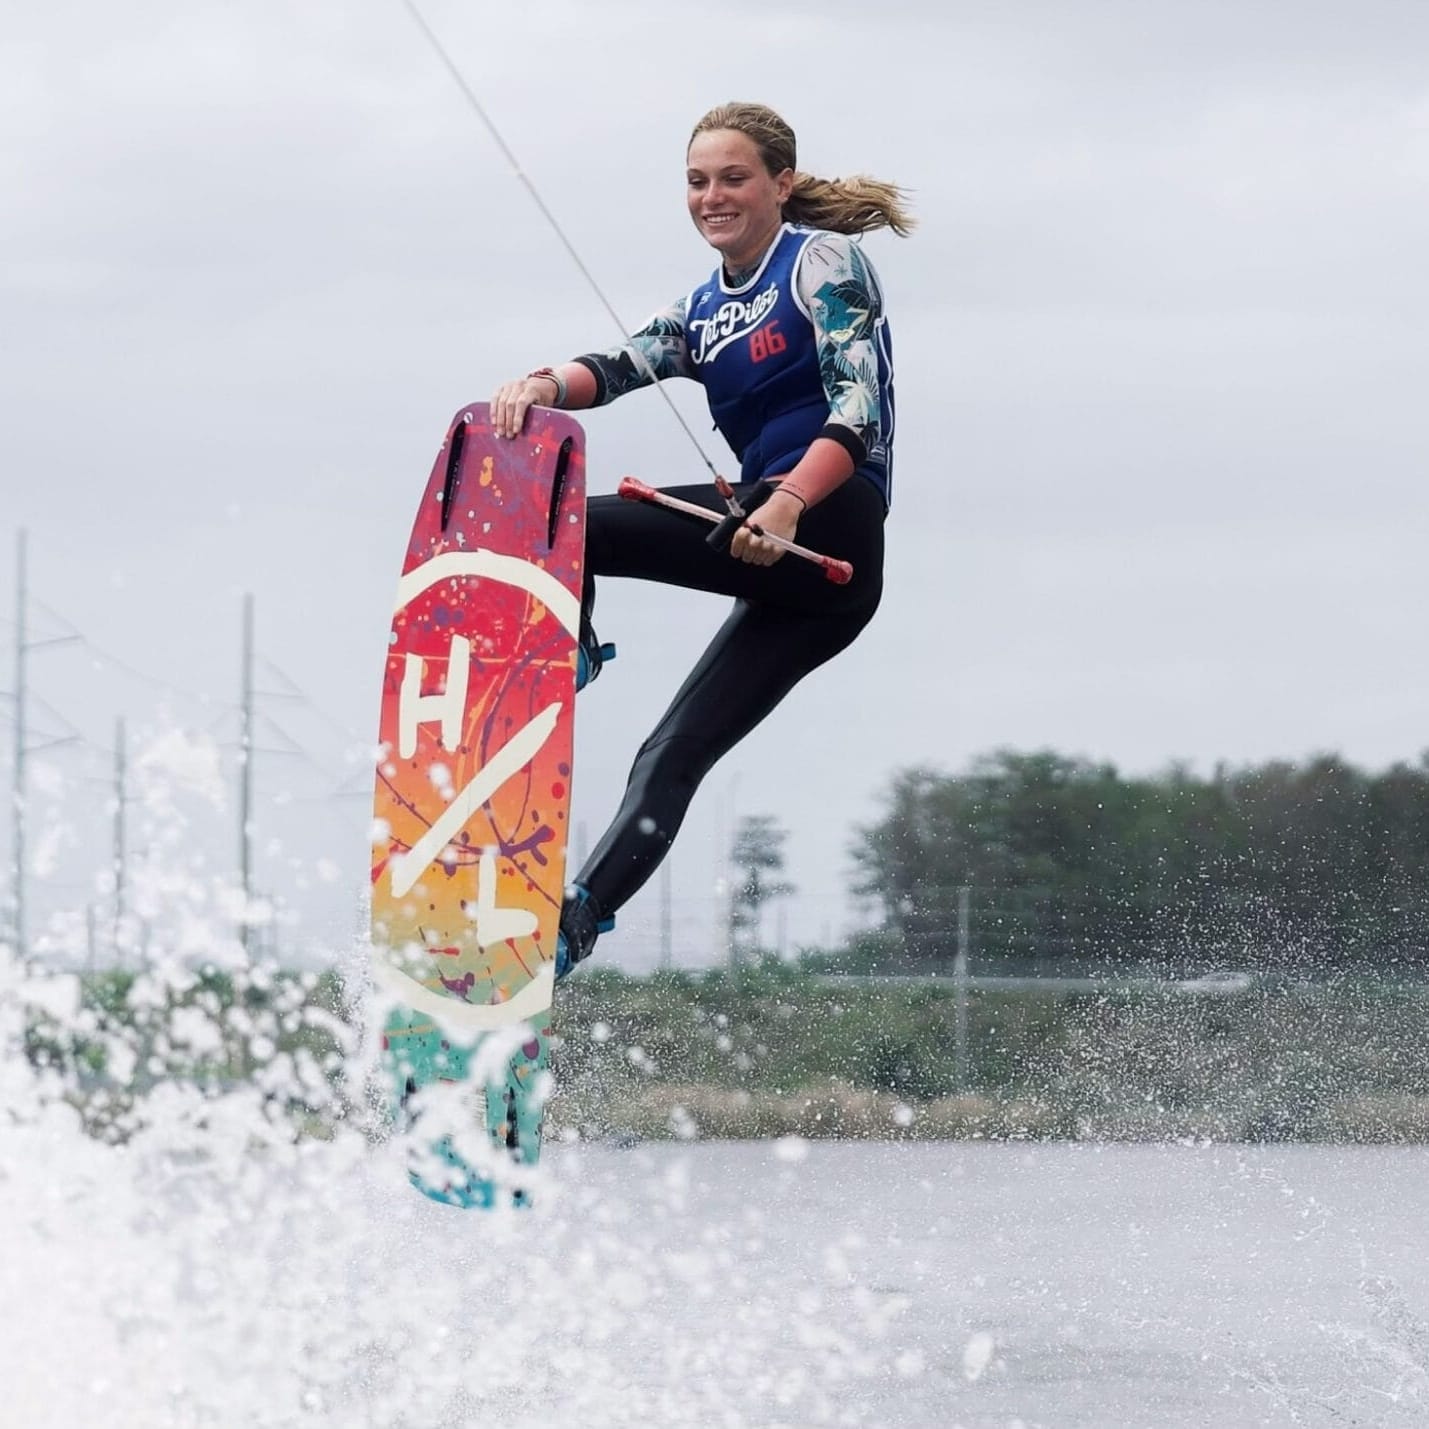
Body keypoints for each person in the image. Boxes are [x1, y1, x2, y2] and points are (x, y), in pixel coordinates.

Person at [489, 101, 913, 978]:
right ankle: (576, 921)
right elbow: (619, 365)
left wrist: (791, 501)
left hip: (830, 527)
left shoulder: (823, 262)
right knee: (671, 750)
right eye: (696, 181)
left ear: (779, 184)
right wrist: (541, 383)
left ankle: (566, 657)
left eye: (732, 177)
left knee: (570, 524)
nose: (711, 196)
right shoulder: (700, 308)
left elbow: (858, 410)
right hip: (780, 568)